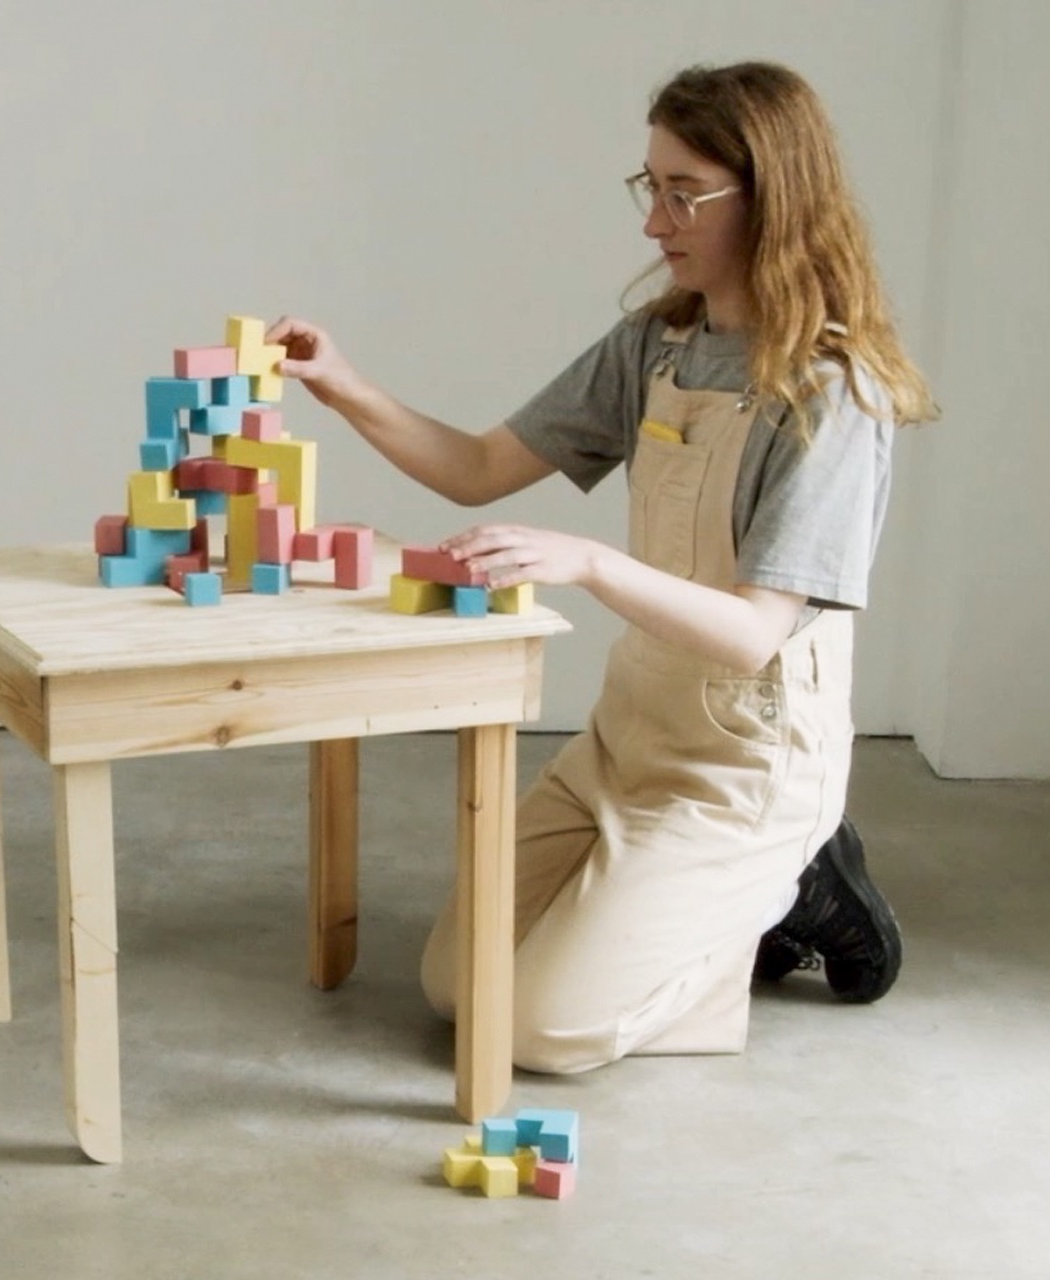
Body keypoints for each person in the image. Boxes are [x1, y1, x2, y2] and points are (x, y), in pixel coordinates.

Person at [269, 61, 936, 1075]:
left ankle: (794, 878)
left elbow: (758, 630)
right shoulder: (655, 345)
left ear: (770, 198)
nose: (653, 220)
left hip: (741, 767)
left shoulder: (832, 394)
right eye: (650, 186)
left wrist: (587, 559)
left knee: (538, 1029)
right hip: (629, 738)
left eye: (683, 192)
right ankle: (725, 902)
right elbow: (482, 467)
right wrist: (345, 386)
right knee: (457, 987)